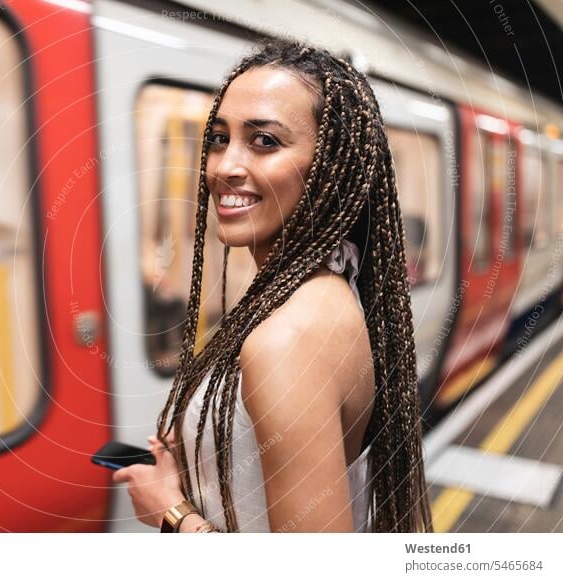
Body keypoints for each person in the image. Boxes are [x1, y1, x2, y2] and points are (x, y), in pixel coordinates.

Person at [113, 39, 434, 533]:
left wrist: (172, 513)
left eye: (264, 141)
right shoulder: (322, 286)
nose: (224, 167)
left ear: (329, 168)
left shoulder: (287, 341)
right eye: (219, 138)